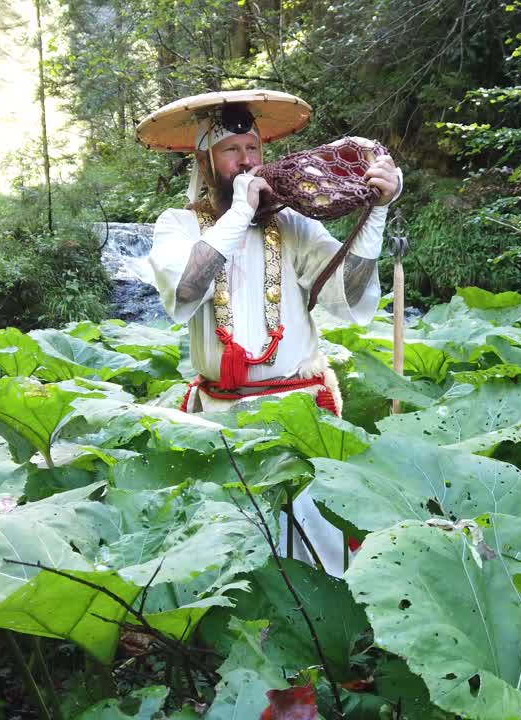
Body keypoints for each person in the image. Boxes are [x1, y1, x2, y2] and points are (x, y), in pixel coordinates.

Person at [137, 89, 402, 575]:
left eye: (253, 149)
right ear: (205, 160)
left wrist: (378, 211)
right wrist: (237, 213)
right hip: (219, 416)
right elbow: (187, 287)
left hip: (297, 413)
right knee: (235, 547)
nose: (245, 162)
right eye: (230, 151)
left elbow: (347, 292)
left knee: (317, 541)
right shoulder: (178, 224)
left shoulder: (293, 224)